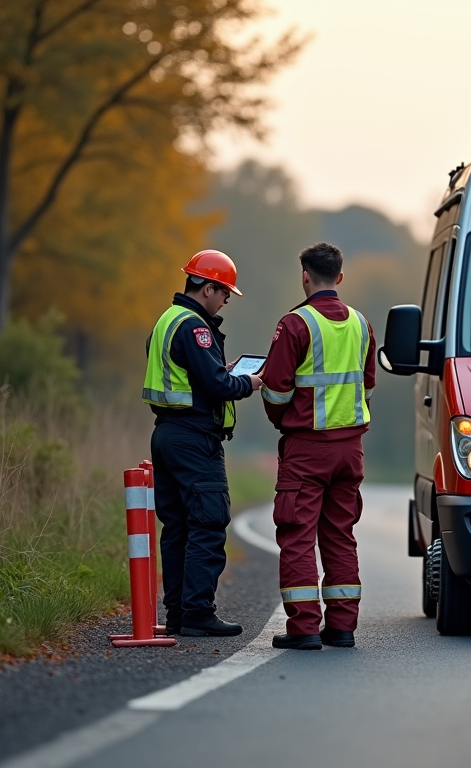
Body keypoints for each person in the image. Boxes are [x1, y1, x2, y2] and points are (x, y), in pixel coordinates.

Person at [261, 242, 376, 650]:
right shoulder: (362, 324)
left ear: (305, 276)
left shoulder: (295, 324)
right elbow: (367, 385)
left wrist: (284, 424)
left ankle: (305, 628)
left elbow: (275, 391)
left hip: (307, 449)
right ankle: (342, 628)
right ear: (340, 277)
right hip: (351, 450)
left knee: (297, 535)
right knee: (340, 535)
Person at [143, 249, 263, 637]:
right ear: (207, 287)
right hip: (195, 438)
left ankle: (178, 613)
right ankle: (197, 612)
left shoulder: (167, 320)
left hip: (166, 434)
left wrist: (217, 371)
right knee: (208, 523)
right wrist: (250, 382)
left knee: (177, 526)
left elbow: (189, 375)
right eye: (225, 292)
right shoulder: (195, 326)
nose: (226, 300)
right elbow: (215, 386)